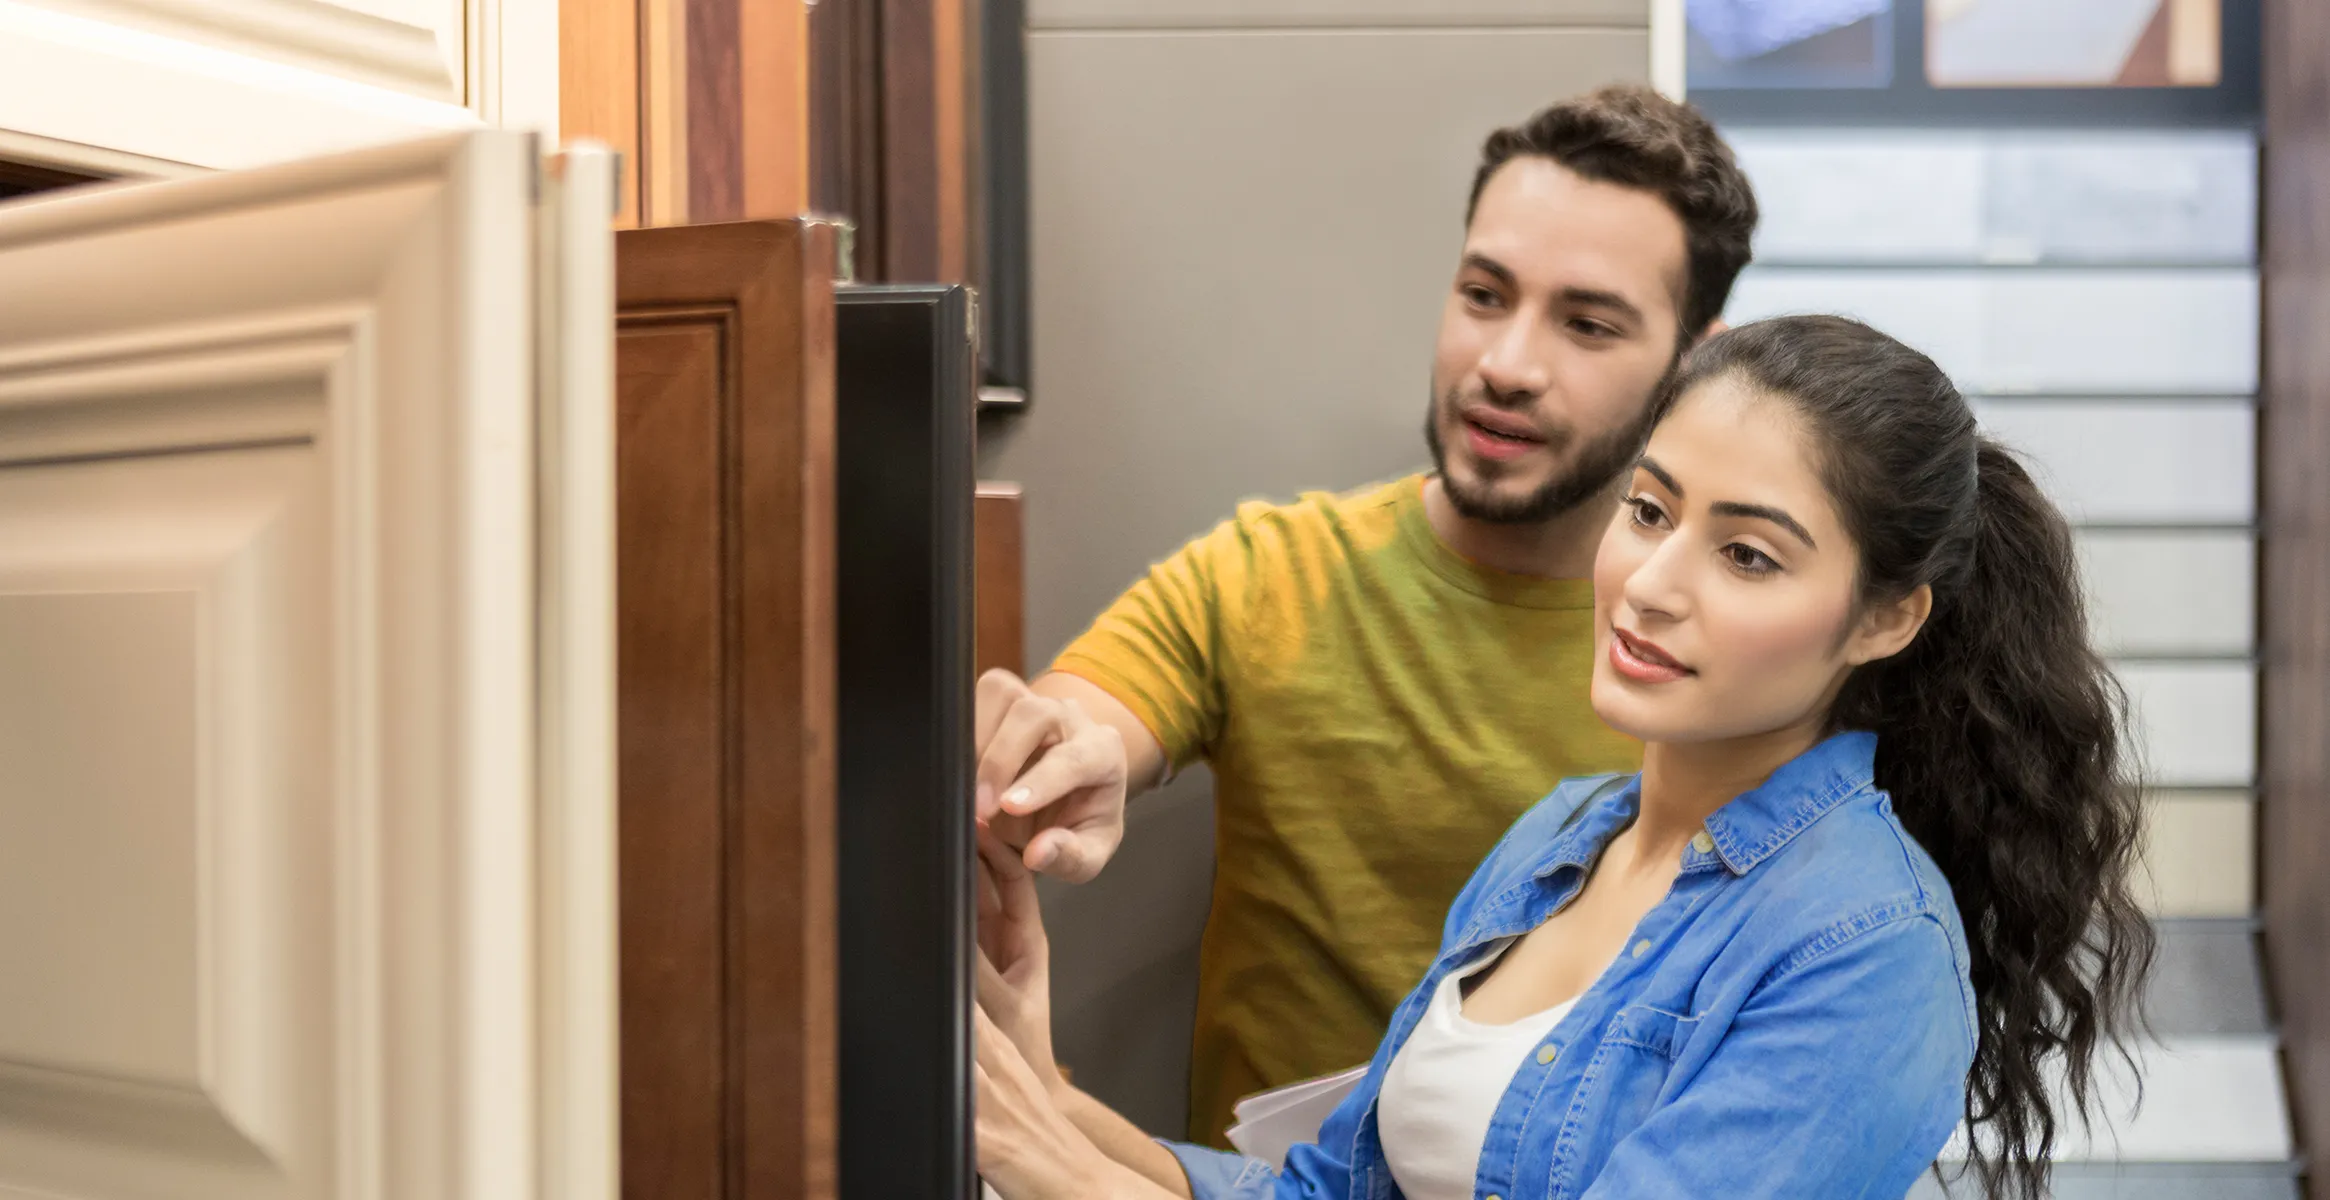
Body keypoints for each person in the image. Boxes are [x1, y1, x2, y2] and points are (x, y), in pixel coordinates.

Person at [968, 316, 2156, 1200]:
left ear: (1883, 618)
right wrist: (1049, 1097)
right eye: (1648, 511)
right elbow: (1330, 1193)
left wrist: (1049, 1172)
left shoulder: (1868, 950)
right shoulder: (1559, 839)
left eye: (1746, 557)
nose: (1647, 584)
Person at [972, 83, 1761, 1145]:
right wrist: (1054, 758)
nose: (1505, 365)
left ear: (1695, 360)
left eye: (1585, 323)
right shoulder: (1269, 575)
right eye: (1484, 294)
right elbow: (1084, 722)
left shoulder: (1741, 661)